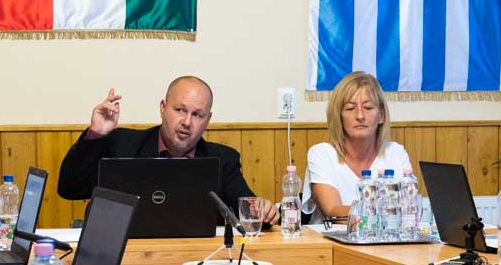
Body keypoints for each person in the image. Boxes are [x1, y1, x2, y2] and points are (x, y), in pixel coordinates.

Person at [57, 76, 278, 221]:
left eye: (197, 115)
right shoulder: (121, 144)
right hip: (129, 258)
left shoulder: (223, 159)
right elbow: (69, 189)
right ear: (163, 108)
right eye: (180, 110)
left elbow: (249, 211)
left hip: (195, 261)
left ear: (207, 120)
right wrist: (95, 134)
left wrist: (262, 210)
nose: (187, 122)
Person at [304, 71, 411, 221]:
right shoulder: (321, 153)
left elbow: (407, 207)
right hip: (331, 236)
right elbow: (333, 210)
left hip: (385, 235)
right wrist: (382, 211)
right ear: (338, 117)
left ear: (381, 115)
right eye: (350, 108)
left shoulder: (396, 152)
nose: (360, 116)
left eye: (368, 107)